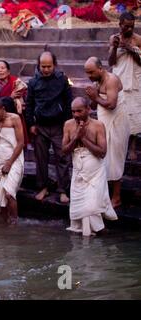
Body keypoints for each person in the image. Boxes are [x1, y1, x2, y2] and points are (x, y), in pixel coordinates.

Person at [62, 97, 118, 236]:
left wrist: (83, 138)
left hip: (95, 173)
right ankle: (89, 237)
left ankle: (96, 234)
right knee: (80, 210)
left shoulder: (98, 125)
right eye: (73, 111)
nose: (76, 115)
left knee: (91, 207)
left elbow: (102, 153)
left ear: (88, 109)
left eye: (79, 111)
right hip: (78, 172)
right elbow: (64, 151)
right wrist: (76, 137)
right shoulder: (68, 125)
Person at [26, 51, 72, 203]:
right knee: (41, 158)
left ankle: (62, 190)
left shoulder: (62, 80)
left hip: (59, 126)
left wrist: (67, 124)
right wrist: (31, 124)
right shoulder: (33, 82)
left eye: (49, 66)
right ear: (38, 66)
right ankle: (43, 187)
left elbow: (68, 102)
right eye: (43, 66)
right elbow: (29, 105)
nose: (46, 69)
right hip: (40, 127)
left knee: (62, 158)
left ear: (54, 65)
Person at [84, 57, 131, 208]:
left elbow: (111, 104)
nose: (89, 75)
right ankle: (103, 194)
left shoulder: (112, 80)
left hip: (117, 123)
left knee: (115, 159)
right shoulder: (97, 82)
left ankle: (116, 197)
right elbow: (93, 105)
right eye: (87, 73)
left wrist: (95, 96)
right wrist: (92, 97)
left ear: (100, 68)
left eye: (91, 72)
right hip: (104, 123)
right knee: (103, 158)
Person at [108, 12, 141, 161]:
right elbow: (110, 62)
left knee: (134, 115)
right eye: (126, 26)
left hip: (135, 81)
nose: (129, 29)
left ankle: (132, 148)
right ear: (120, 25)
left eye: (132, 27)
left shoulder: (138, 39)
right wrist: (115, 48)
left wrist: (129, 48)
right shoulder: (114, 38)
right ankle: (120, 146)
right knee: (120, 114)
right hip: (119, 80)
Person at [0, 98, 24, 225]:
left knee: (8, 193)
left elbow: (21, 143)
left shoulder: (14, 118)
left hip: (15, 158)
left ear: (3, 109)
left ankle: (14, 222)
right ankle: (5, 223)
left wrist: (9, 163)